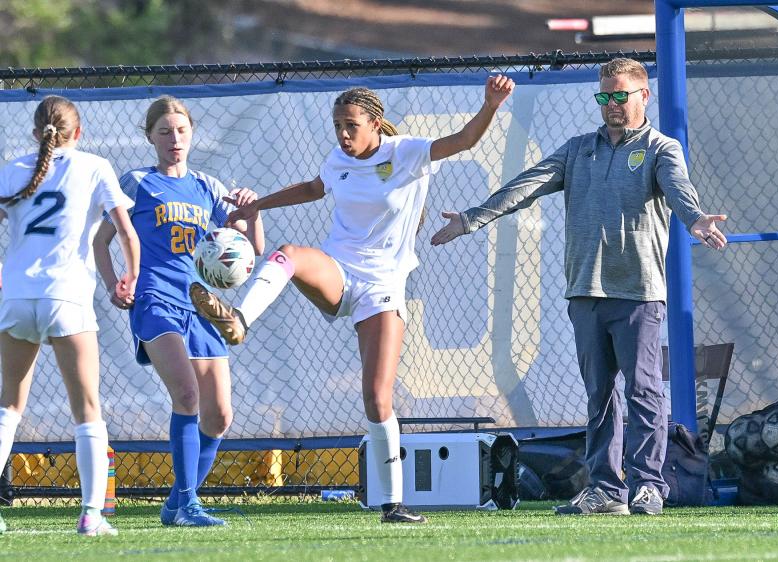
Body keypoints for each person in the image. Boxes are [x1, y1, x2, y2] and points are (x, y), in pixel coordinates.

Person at [189, 76, 515, 523]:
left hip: (383, 287)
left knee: (377, 398)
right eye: (337, 126)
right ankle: (239, 319)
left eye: (351, 126)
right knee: (288, 255)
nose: (343, 135)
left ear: (375, 124)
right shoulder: (337, 159)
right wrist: (256, 205)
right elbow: (312, 188)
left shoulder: (406, 153)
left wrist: (491, 105)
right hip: (338, 272)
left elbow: (463, 140)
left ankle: (393, 505)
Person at [431, 58, 728, 516]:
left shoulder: (660, 148)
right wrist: (472, 218)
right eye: (604, 97)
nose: (611, 105)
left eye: (620, 96)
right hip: (585, 294)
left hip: (638, 293)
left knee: (644, 391)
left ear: (643, 96)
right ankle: (606, 490)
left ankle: (648, 485)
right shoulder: (577, 150)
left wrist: (696, 220)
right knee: (599, 396)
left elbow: (678, 189)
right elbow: (526, 186)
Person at [93, 96, 264, 527]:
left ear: (192, 134)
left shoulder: (208, 186)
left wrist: (251, 209)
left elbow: (251, 248)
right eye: (165, 131)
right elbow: (101, 241)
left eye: (182, 130)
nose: (175, 139)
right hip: (155, 301)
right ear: (149, 136)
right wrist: (115, 283)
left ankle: (176, 503)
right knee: (186, 395)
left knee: (220, 415)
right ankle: (188, 505)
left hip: (202, 306)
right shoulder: (136, 183)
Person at [0, 95, 140, 536]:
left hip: (18, 297)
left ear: (35, 131)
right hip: (66, 298)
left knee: (7, 409)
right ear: (77, 133)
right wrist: (129, 279)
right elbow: (126, 233)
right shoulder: (94, 165)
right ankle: (92, 515)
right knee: (87, 411)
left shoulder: (11, 167)